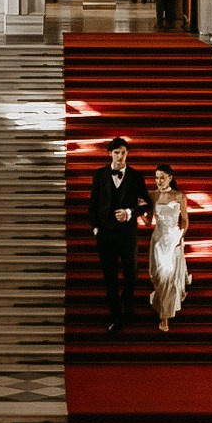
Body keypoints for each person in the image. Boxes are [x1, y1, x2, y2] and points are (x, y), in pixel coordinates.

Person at [88, 136, 149, 333]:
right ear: (109, 154)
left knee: (131, 274)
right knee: (110, 277)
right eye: (116, 153)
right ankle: (116, 316)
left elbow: (147, 204)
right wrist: (96, 228)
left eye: (123, 152)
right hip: (105, 234)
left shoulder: (136, 176)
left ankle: (127, 303)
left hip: (127, 234)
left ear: (127, 153)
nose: (120, 156)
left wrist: (130, 212)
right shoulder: (99, 174)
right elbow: (93, 203)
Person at [148, 164, 190, 331]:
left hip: (174, 238)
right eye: (156, 178)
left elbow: (185, 220)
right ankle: (167, 301)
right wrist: (139, 211)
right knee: (157, 276)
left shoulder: (179, 196)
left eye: (162, 178)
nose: (159, 181)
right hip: (158, 240)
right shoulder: (152, 195)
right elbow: (147, 222)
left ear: (170, 178)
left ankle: (164, 317)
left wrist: (181, 236)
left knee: (168, 277)